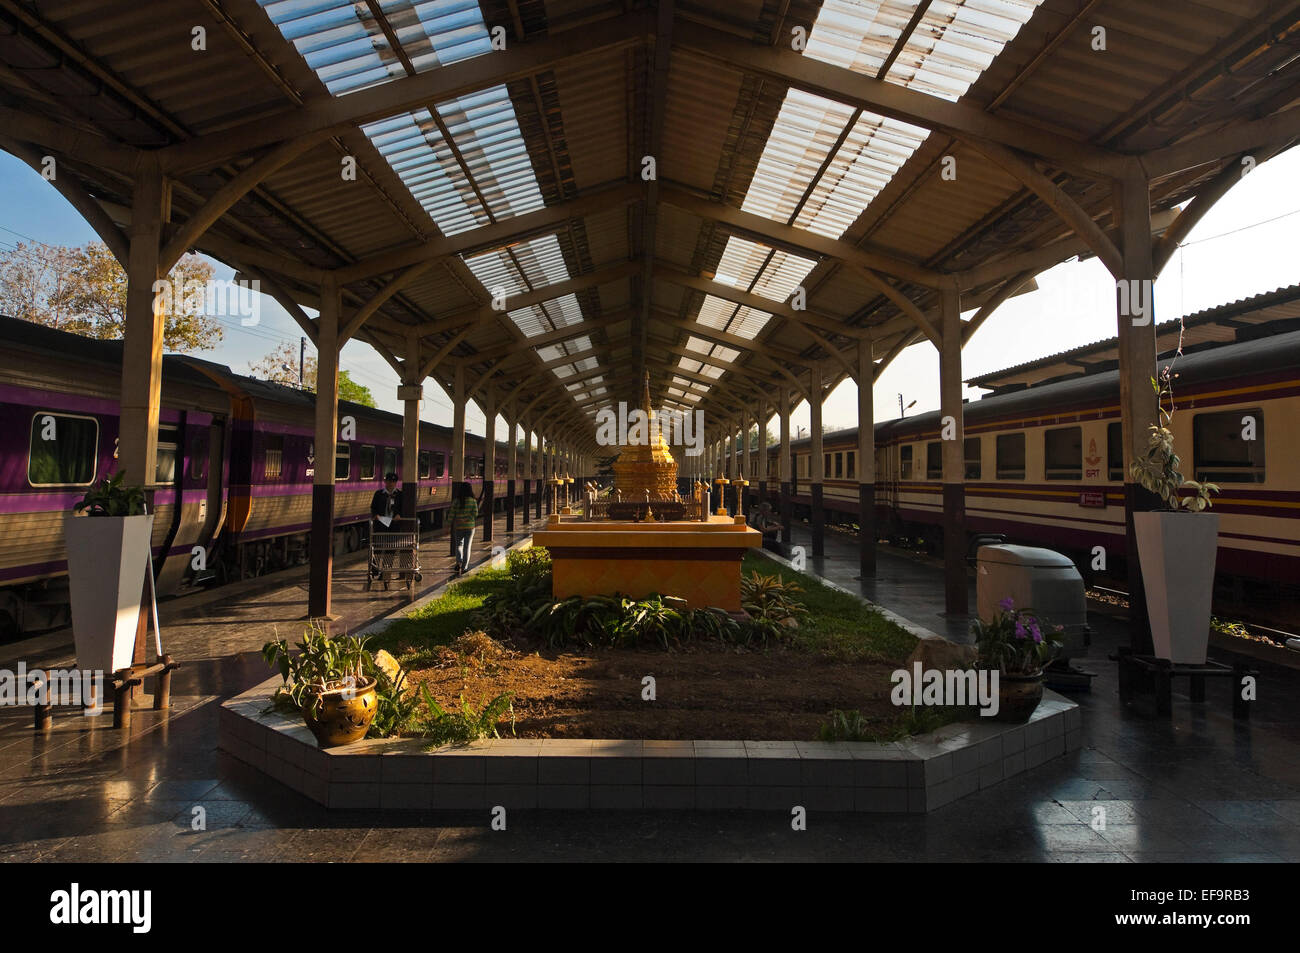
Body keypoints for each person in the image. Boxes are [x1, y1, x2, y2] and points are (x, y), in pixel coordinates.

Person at [449, 481, 481, 575]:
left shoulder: (456, 501)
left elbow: (451, 514)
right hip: (470, 527)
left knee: (458, 545)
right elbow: (475, 514)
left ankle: (459, 562)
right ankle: (464, 567)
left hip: (458, 527)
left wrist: (448, 524)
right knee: (467, 547)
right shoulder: (473, 501)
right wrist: (468, 518)